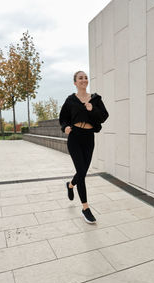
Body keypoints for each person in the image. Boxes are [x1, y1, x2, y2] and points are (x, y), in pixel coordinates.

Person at [59, 70, 109, 224]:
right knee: (81, 172)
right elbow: (63, 118)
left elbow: (104, 116)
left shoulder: (95, 99)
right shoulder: (70, 100)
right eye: (80, 78)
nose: (84, 80)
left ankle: (70, 184)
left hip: (88, 138)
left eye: (85, 77)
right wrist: (65, 127)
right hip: (75, 137)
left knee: (82, 172)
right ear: (75, 82)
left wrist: (92, 109)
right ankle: (85, 208)